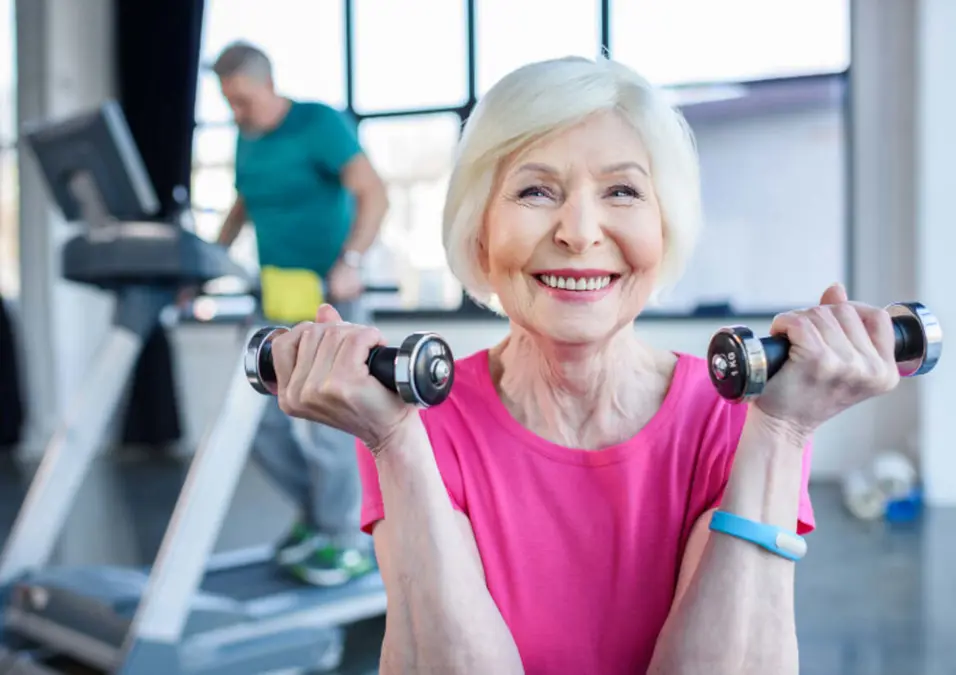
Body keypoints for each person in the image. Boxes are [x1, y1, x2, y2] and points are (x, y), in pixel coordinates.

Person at [265, 56, 902, 674]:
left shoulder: (738, 417)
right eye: (536, 190)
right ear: (481, 235)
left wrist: (785, 433)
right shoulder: (418, 422)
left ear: (664, 230)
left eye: (622, 190)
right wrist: (394, 442)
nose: (579, 231)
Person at [211, 41, 389, 586]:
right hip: (275, 297)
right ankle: (320, 517)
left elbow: (373, 193)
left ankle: (344, 537)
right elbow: (244, 203)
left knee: (332, 421)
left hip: (330, 293)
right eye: (229, 104)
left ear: (268, 84)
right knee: (258, 419)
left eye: (243, 100)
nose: (237, 114)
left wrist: (351, 260)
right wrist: (208, 259)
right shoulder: (248, 138)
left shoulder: (316, 123)